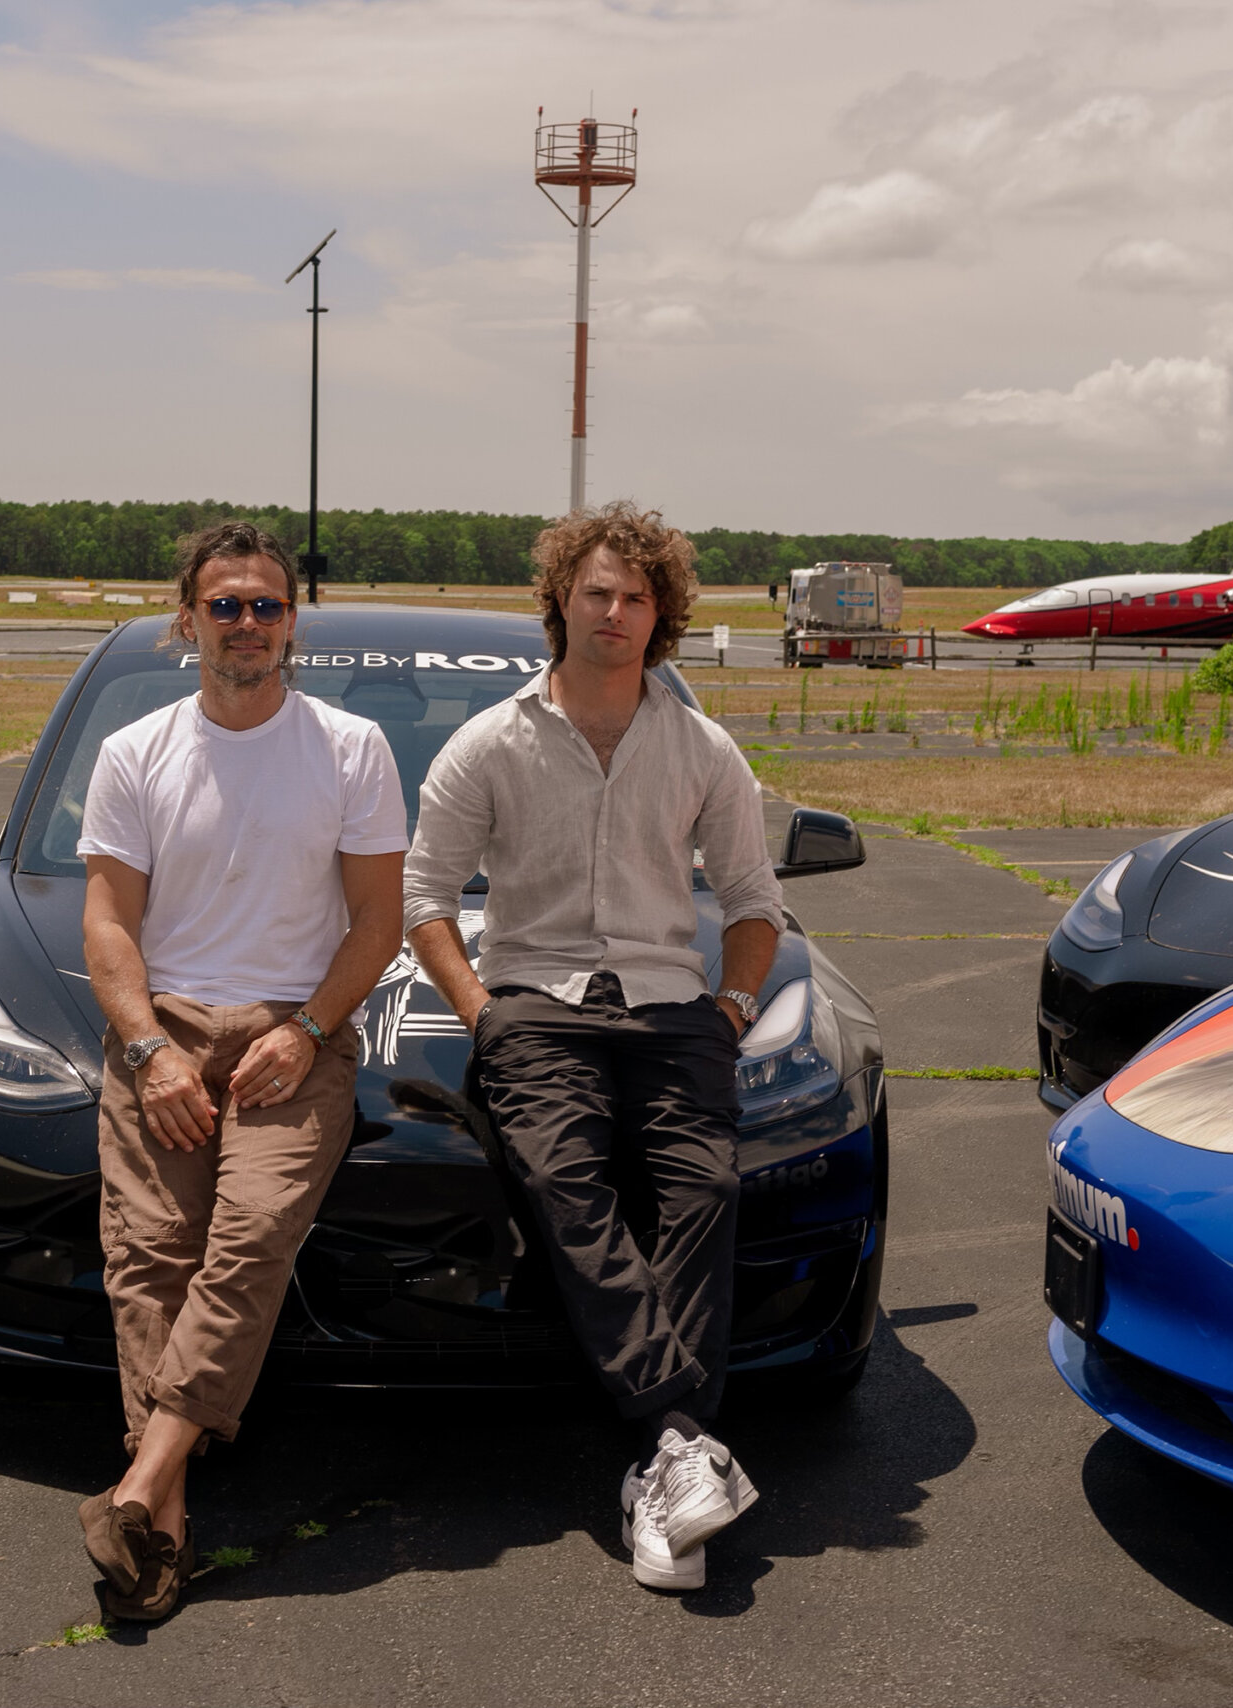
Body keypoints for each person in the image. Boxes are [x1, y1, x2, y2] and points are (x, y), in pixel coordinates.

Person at [402, 501, 784, 1593]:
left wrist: (735, 1001)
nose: (612, 611)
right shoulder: (488, 741)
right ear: (559, 602)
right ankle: (681, 1440)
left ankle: (664, 1453)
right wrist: (482, 1009)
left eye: (634, 596)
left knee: (704, 1186)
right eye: (595, 592)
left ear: (658, 616)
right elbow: (424, 895)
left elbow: (753, 899)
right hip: (535, 1003)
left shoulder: (702, 746)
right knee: (565, 1184)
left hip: (671, 1008)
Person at [74, 521, 408, 1622]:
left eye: (267, 605)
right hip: (163, 1033)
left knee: (250, 1236)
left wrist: (307, 1030)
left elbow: (375, 921)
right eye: (226, 605)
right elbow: (109, 925)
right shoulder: (134, 752)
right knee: (150, 1259)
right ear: (189, 622)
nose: (248, 623)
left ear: (291, 623)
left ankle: (132, 1482)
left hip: (289, 1038)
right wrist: (149, 1049)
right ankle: (159, 1531)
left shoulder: (351, 748)